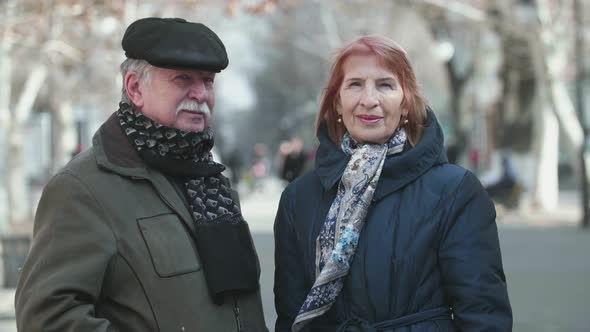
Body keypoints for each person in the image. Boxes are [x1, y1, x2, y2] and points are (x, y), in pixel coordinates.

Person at [15, 17, 267, 332]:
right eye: (183, 79)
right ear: (135, 88)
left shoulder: (213, 185)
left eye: (207, 80)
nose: (200, 94)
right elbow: (47, 318)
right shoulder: (83, 189)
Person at [273, 35, 512, 331]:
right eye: (355, 84)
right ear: (337, 103)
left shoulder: (456, 191)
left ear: (405, 102)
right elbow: (290, 315)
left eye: (385, 85)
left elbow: (483, 315)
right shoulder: (299, 198)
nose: (369, 99)